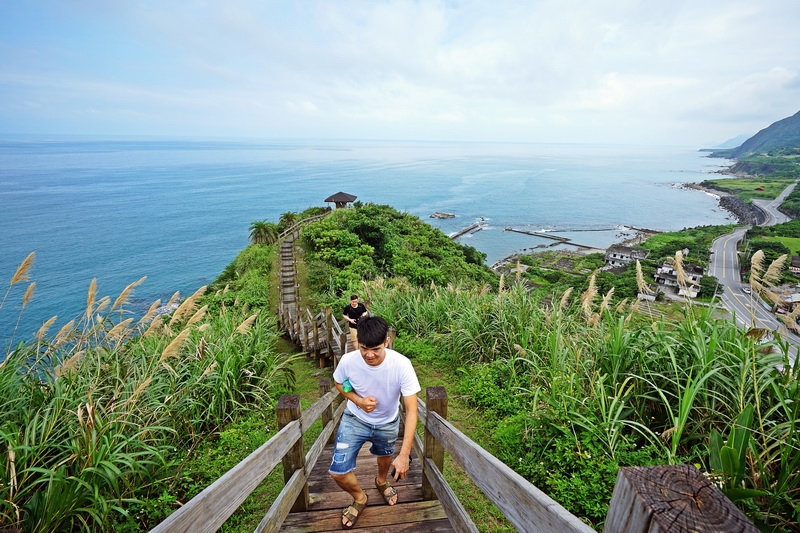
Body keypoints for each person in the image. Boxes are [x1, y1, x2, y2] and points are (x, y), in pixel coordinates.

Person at [329, 316, 421, 529]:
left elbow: (412, 410)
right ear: (357, 342)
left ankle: (381, 481)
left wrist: (405, 454)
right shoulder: (348, 361)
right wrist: (358, 400)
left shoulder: (402, 365)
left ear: (386, 342)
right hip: (355, 418)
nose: (369, 354)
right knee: (337, 472)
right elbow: (339, 382)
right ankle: (360, 497)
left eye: (376, 349)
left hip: (387, 423)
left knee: (385, 457)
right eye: (364, 348)